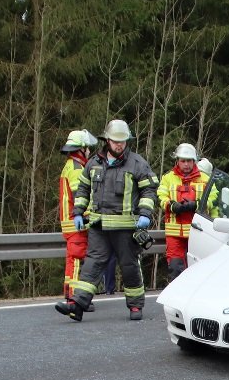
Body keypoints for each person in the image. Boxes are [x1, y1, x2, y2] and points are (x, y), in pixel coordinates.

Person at [55, 119, 157, 322]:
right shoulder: (94, 163)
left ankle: (135, 305)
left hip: (125, 227)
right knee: (92, 265)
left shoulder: (137, 163)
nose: (119, 145)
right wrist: (78, 212)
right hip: (99, 225)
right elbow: (83, 189)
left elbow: (149, 189)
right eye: (115, 141)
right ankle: (77, 305)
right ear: (107, 140)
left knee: (129, 266)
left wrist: (145, 214)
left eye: (122, 141)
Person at [157, 143, 209, 282]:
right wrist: (172, 206)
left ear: (194, 161)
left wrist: (196, 204)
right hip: (175, 233)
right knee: (175, 268)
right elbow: (161, 197)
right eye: (183, 161)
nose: (186, 164)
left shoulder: (205, 178)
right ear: (177, 161)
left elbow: (213, 198)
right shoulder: (168, 178)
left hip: (197, 231)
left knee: (198, 268)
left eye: (189, 161)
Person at [58, 129, 97, 304]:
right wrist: (89, 216)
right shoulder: (76, 168)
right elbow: (79, 196)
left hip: (70, 221)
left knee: (72, 261)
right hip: (77, 222)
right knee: (76, 260)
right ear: (81, 149)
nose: (89, 151)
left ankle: (71, 295)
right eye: (87, 148)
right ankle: (75, 298)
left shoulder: (70, 165)